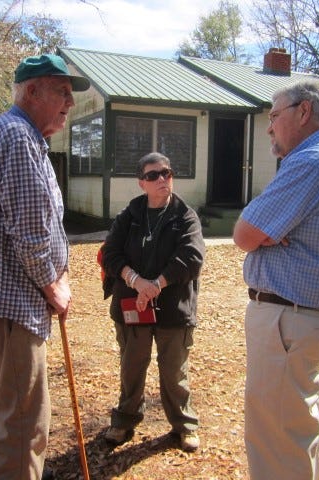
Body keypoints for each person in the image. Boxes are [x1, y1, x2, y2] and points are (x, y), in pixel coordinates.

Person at [0, 54, 90, 480]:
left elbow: (41, 225)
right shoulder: (16, 137)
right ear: (32, 92)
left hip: (10, 305)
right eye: (62, 92)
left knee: (21, 415)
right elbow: (30, 234)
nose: (70, 103)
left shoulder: (23, 138)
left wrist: (59, 273)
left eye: (71, 95)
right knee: (23, 424)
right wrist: (55, 285)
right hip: (11, 306)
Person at [232, 80, 319, 479]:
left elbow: (244, 235)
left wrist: (266, 231)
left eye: (274, 116)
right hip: (303, 320)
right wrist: (269, 231)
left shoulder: (311, 161)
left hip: (286, 323)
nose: (269, 127)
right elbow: (257, 231)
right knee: (293, 431)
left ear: (304, 111)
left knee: (276, 438)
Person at [100, 152, 205, 452]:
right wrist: (136, 283)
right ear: (141, 183)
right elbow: (110, 254)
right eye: (153, 175)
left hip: (173, 310)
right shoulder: (128, 216)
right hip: (132, 309)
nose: (162, 179)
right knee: (131, 366)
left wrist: (155, 286)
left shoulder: (186, 215)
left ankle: (184, 425)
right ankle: (124, 420)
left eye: (167, 173)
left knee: (174, 371)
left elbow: (192, 258)